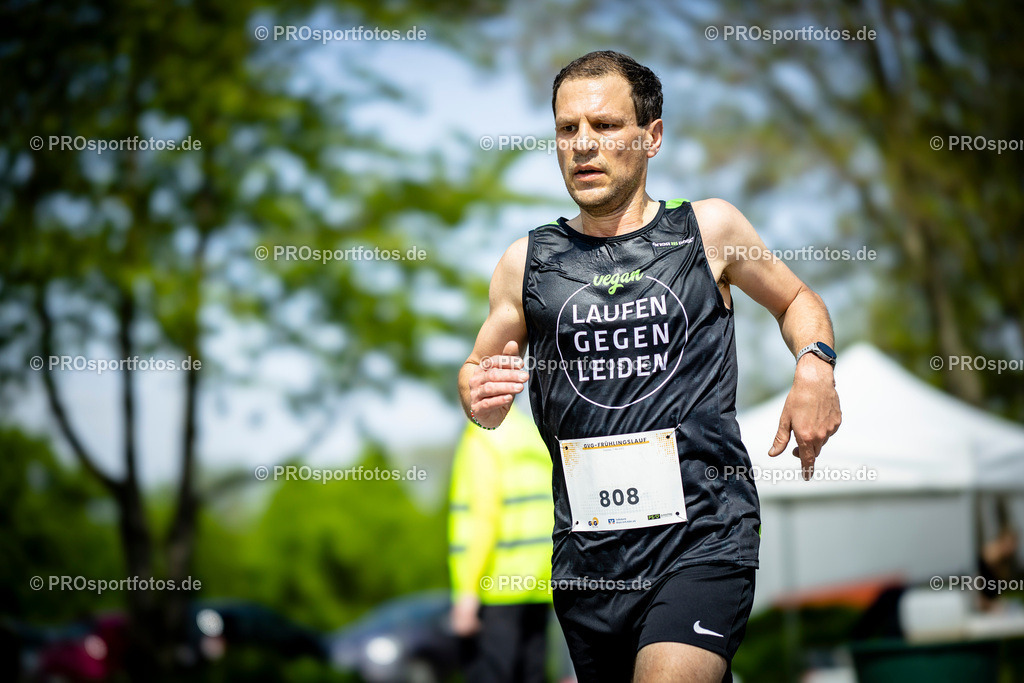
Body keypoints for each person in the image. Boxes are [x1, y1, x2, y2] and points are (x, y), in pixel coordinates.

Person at [457, 50, 842, 683]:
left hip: (705, 534)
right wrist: (478, 393)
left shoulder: (708, 230)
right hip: (590, 557)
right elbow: (477, 371)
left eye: (605, 127)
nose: (583, 145)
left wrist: (815, 367)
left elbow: (798, 300)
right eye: (567, 129)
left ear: (651, 137)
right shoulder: (526, 262)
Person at [448, 404, 555, 683]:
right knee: (532, 674)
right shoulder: (528, 432)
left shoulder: (481, 435)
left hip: (496, 586)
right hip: (540, 584)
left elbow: (483, 518)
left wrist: (467, 593)